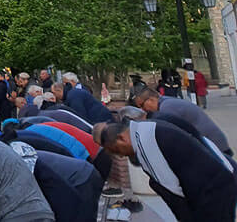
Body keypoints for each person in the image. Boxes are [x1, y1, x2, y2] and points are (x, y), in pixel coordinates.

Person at [99, 119, 237, 220]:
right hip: (218, 179)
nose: (121, 155)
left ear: (122, 138)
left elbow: (172, 192)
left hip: (211, 192)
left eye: (116, 150)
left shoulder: (144, 145)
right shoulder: (147, 126)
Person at [133, 87, 231, 154]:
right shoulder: (167, 102)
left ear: (151, 100)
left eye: (142, 105)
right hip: (211, 145)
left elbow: (172, 134)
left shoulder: (167, 107)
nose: (143, 109)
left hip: (213, 147)